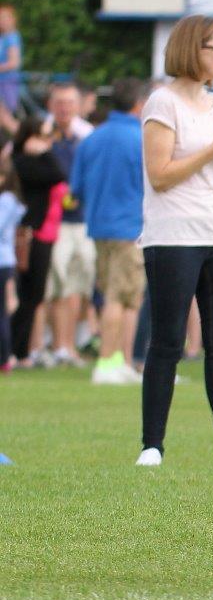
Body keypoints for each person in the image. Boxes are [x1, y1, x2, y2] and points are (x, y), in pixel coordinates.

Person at [137, 14, 213, 467]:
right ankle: (152, 445)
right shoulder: (162, 103)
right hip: (172, 234)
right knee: (167, 341)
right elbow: (160, 174)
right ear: (196, 50)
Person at [69, 78, 147, 385]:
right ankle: (106, 362)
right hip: (130, 227)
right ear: (138, 104)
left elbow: (76, 189)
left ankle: (122, 362)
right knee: (121, 296)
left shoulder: (91, 139)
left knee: (121, 296)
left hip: (98, 226)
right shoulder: (140, 138)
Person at [44, 82, 97, 367]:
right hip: (53, 221)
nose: (64, 108)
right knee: (57, 283)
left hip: (84, 220)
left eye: (69, 103)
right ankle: (58, 344)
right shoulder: (42, 133)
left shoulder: (88, 136)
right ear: (51, 105)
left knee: (81, 283)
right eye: (59, 103)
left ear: (78, 105)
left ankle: (71, 343)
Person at [9, 116, 65, 369]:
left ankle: (20, 351)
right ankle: (13, 349)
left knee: (35, 294)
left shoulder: (32, 161)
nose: (47, 143)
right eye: (42, 137)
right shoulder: (22, 163)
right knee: (28, 294)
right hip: (30, 235)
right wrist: (44, 154)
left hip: (45, 233)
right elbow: (58, 174)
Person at [0, 162, 24, 371]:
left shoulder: (6, 201)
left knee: (2, 311)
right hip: (6, 259)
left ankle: (5, 357)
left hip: (3, 260)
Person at [0, 4, 22, 113]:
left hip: (7, 83)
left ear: (13, 19)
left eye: (4, 18)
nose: (2, 21)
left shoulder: (12, 37)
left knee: (5, 115)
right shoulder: (3, 37)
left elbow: (14, 63)